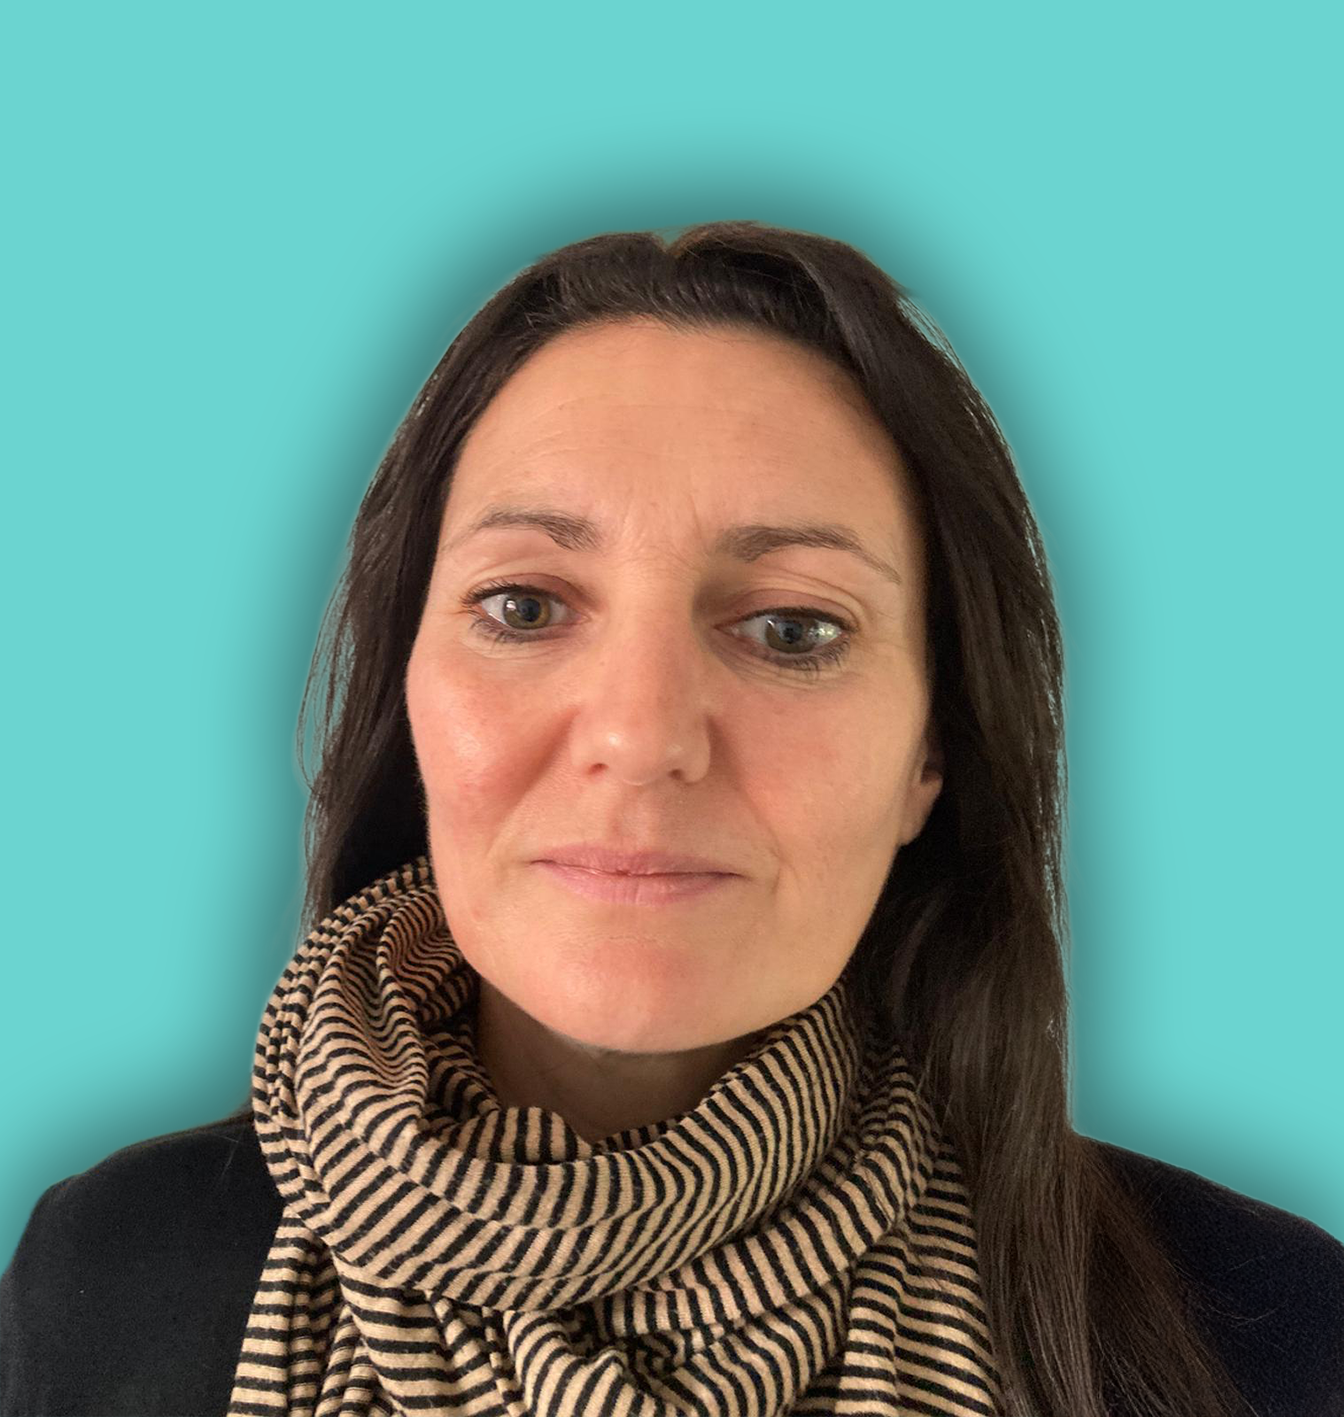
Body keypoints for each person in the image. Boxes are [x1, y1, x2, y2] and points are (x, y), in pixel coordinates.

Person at [1, 220, 1340, 1417]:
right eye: (524, 607)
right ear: (409, 693)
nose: (643, 738)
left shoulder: (1276, 1336)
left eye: (793, 628)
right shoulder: (104, 1281)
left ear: (933, 752)